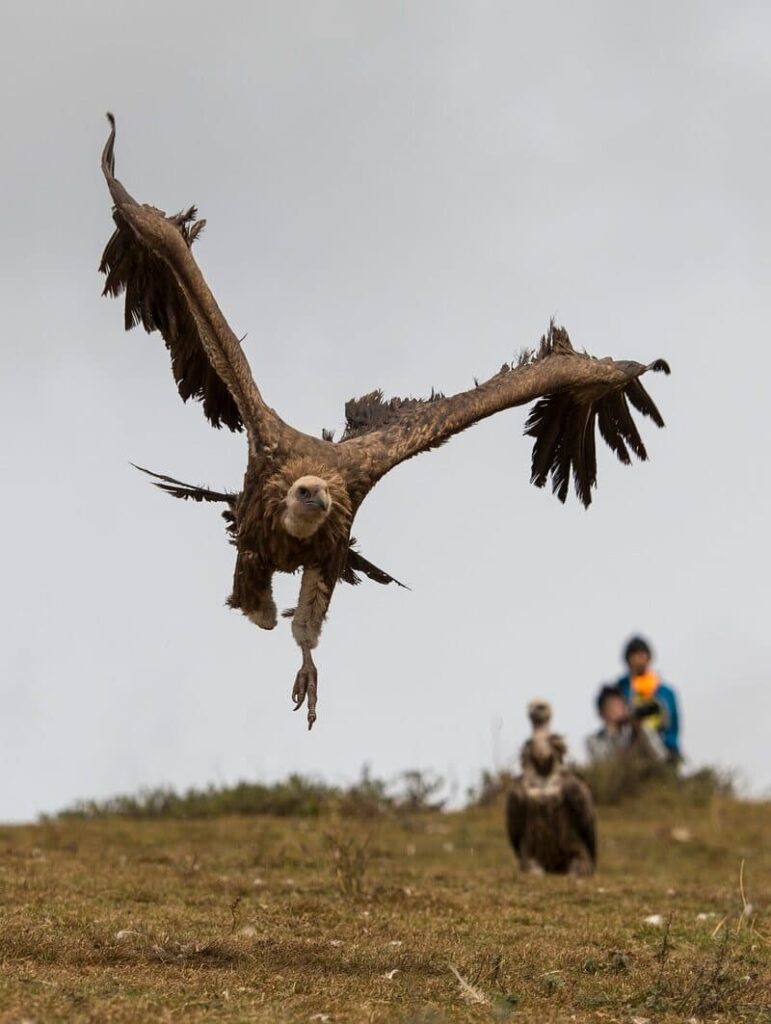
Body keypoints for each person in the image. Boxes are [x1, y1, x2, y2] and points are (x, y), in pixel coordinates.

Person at [616, 636, 681, 762]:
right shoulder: (620, 689)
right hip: (631, 747)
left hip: (662, 744)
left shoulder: (665, 692)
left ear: (649, 657)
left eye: (641, 655)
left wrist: (671, 744)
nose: (637, 660)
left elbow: (674, 721)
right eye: (633, 656)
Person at [586, 683, 668, 764]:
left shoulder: (636, 733)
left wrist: (641, 728)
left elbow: (661, 757)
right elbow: (605, 764)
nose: (618, 711)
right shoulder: (594, 740)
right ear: (601, 712)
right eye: (612, 707)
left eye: (620, 706)